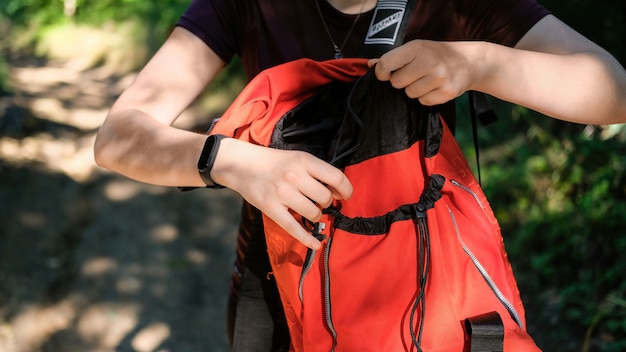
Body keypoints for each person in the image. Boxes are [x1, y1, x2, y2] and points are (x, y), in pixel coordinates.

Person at [94, 0, 626, 350]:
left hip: (421, 281)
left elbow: (613, 91)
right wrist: (231, 162)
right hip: (276, 283)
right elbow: (117, 137)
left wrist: (479, 64)